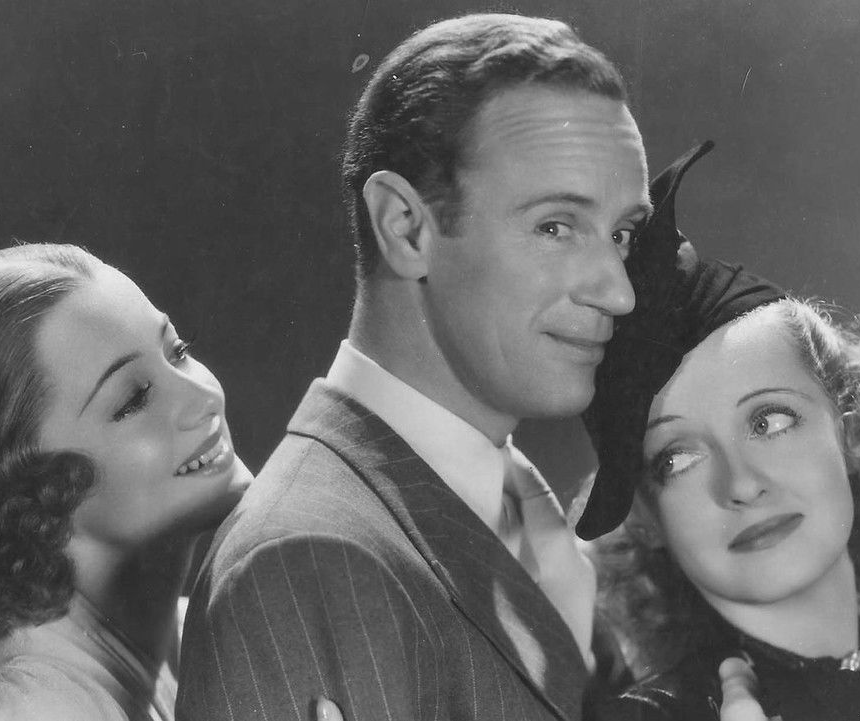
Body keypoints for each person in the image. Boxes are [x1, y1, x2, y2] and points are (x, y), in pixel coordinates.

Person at [176, 13, 651, 721]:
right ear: (404, 227)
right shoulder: (310, 561)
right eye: (556, 227)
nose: (618, 291)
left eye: (622, 234)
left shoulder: (508, 496)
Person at [575, 144, 860, 721]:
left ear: (852, 430)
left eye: (769, 421)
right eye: (677, 459)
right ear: (648, 517)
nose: (741, 485)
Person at [0, 243, 253, 720]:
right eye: (133, 399)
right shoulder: (35, 711)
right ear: (23, 488)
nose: (204, 398)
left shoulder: (204, 634)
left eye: (177, 353)